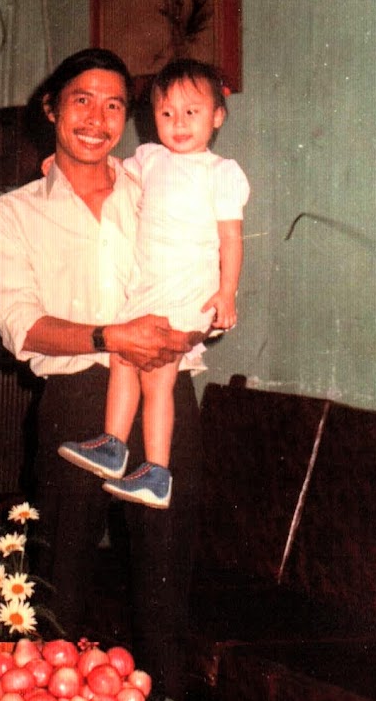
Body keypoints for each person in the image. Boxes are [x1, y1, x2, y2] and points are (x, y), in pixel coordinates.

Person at [0, 48, 203, 700]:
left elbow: (204, 268)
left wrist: (193, 326)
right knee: (60, 587)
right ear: (52, 108)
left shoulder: (156, 192)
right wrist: (111, 335)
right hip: (78, 401)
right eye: (82, 100)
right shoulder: (11, 215)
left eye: (113, 105)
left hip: (165, 394)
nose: (97, 118)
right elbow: (21, 326)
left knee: (165, 588)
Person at [58, 58, 250, 509]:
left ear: (217, 117)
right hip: (147, 288)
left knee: (158, 377)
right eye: (166, 113)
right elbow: (110, 170)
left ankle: (157, 472)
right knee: (123, 358)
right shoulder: (150, 158)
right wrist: (61, 165)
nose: (178, 124)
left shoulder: (220, 172)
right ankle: (113, 445)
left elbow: (231, 239)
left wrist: (227, 292)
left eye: (191, 112)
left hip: (186, 294)